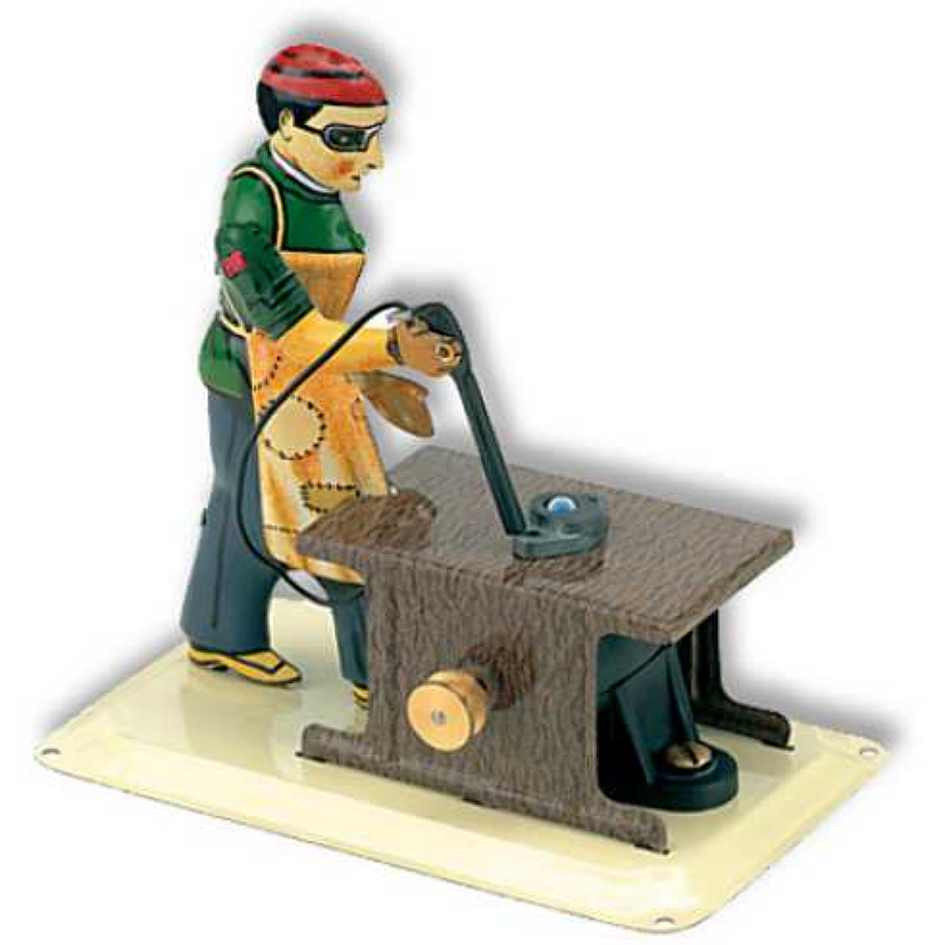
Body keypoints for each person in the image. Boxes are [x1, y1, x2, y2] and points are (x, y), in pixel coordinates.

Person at [181, 43, 459, 699]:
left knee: (268, 508)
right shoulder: (251, 208)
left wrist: (371, 375)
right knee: (312, 513)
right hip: (251, 378)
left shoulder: (319, 188)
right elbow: (289, 328)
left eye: (373, 137)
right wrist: (390, 350)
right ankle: (368, 671)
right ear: (287, 125)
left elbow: (321, 318)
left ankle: (222, 628)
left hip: (310, 379)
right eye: (347, 138)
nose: (373, 158)